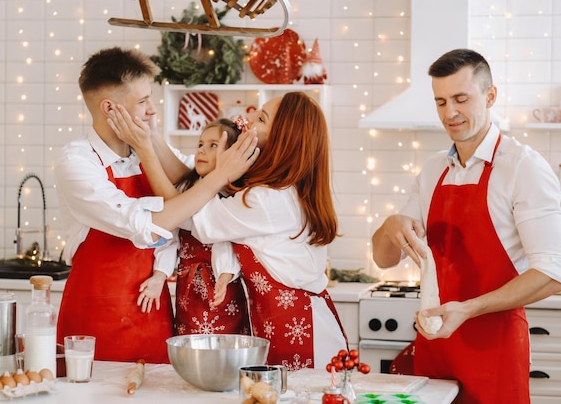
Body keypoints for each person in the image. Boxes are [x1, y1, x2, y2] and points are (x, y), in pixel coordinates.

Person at [371, 48, 561, 403]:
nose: (450, 112)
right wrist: (389, 224)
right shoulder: (432, 170)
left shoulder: (523, 167)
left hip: (495, 350)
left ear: (490, 96)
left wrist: (469, 309)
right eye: (440, 102)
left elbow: (552, 272)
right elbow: (385, 259)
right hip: (436, 347)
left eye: (461, 98)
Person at [115, 91, 349, 370]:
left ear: (283, 141)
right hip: (281, 325)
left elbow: (185, 211)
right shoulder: (270, 189)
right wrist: (151, 135)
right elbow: (191, 184)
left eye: (260, 119)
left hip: (304, 333)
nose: (248, 118)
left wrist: (144, 150)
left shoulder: (266, 200)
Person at [54, 46, 258, 363]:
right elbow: (145, 225)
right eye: (143, 101)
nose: (152, 110)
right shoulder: (77, 162)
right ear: (110, 108)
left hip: (155, 312)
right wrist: (218, 178)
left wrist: (152, 141)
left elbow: (190, 181)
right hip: (96, 320)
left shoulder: (145, 152)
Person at [152, 118, 250, 336]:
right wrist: (160, 274)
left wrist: (225, 276)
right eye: (200, 145)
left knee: (226, 346)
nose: (202, 151)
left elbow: (226, 242)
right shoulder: (186, 190)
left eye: (213, 145)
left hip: (222, 285)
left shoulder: (231, 199)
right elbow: (169, 235)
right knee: (190, 344)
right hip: (187, 286)